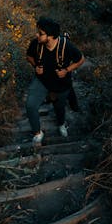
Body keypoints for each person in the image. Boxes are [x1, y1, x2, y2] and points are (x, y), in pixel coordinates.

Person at [26, 16, 85, 145]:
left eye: (41, 33)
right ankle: (37, 133)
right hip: (42, 81)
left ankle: (61, 124)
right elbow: (29, 56)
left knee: (59, 108)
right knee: (30, 105)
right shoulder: (36, 43)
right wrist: (36, 66)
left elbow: (81, 59)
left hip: (61, 83)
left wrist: (67, 70)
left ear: (51, 36)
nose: (37, 35)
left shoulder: (66, 45)